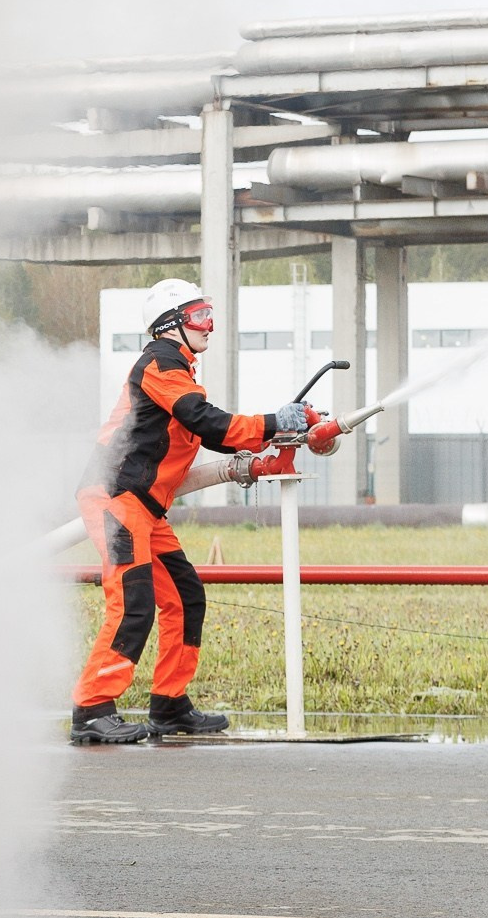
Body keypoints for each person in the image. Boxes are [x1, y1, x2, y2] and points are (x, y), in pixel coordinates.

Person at [71, 277, 310, 745]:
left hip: (143, 507)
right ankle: (92, 710)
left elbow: (215, 432)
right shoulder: (159, 362)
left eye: (209, 313)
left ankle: (169, 705)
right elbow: (206, 420)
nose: (210, 325)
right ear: (171, 324)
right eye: (200, 315)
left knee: (184, 595)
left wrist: (275, 429)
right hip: (115, 497)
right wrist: (272, 421)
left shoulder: (179, 370)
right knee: (132, 604)